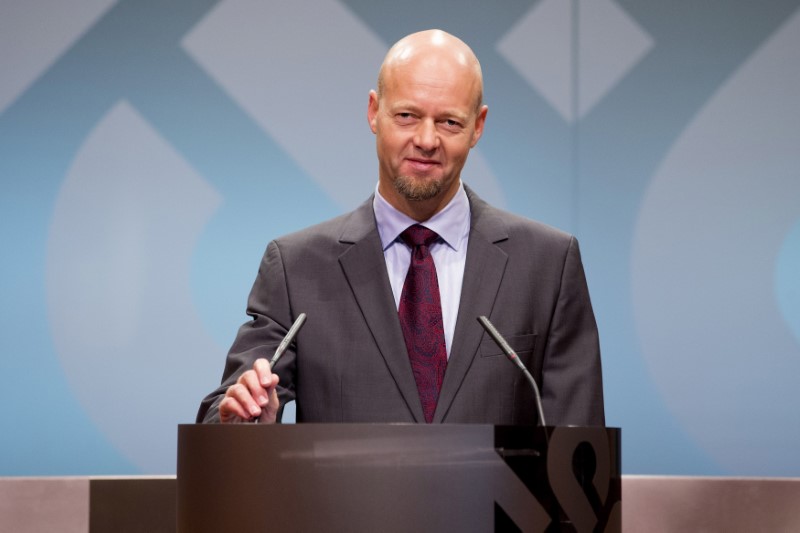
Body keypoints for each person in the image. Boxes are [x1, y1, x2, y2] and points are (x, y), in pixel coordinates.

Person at [197, 29, 604, 426]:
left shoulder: (547, 265)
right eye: (407, 116)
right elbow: (226, 413)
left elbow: (581, 459)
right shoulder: (297, 269)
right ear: (374, 112)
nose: (427, 140)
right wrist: (242, 423)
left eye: (449, 122)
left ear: (478, 126)